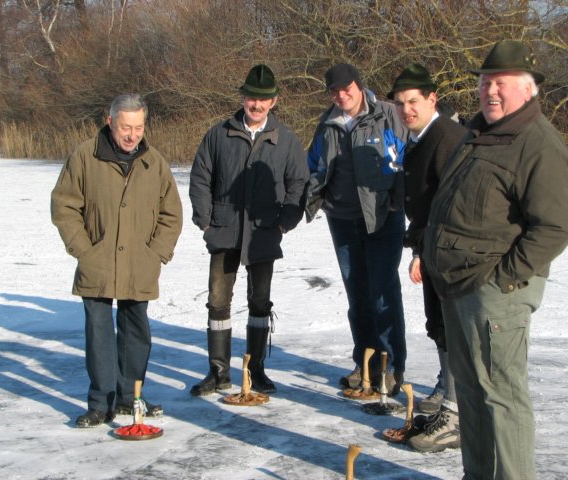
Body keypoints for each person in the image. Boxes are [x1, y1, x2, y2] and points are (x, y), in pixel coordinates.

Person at [423, 40, 568, 479]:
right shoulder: (481, 133)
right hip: (458, 286)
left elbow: (555, 227)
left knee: (503, 400)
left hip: (495, 294)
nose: (490, 91)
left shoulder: (537, 143)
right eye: (485, 82)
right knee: (472, 396)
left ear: (528, 90)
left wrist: (503, 280)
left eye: (501, 84)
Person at [51, 93, 183, 428]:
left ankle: (130, 396)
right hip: (97, 262)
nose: (132, 134)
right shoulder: (85, 156)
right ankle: (100, 402)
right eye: (126, 127)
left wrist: (155, 254)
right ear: (110, 121)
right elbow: (64, 205)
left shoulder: (155, 162)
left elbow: (171, 214)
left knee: (136, 332)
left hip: (140, 263)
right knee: (98, 333)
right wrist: (84, 249)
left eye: (138, 127)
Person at [189, 64, 309, 396]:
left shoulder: (285, 140)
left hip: (264, 231)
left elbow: (298, 184)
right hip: (224, 231)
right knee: (217, 301)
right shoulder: (219, 134)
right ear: (243, 98)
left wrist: (285, 221)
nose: (256, 105)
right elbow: (201, 178)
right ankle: (219, 371)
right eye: (251, 98)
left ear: (274, 101)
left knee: (260, 302)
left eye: (263, 100)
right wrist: (206, 220)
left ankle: (255, 369)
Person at [306, 63, 407, 394]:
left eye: (346, 87)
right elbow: (315, 166)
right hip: (343, 218)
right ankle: (365, 362)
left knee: (383, 293)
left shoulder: (388, 114)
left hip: (382, 217)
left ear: (359, 85)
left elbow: (407, 159)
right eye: (334, 90)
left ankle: (391, 366)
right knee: (357, 295)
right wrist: (306, 197)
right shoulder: (328, 122)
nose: (341, 95)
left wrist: (397, 200)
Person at [387, 63, 468, 452]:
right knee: (438, 324)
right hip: (432, 246)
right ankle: (448, 401)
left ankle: (455, 415)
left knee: (450, 327)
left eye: (413, 101)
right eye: (401, 103)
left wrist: (425, 250)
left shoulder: (447, 137)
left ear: (432, 99)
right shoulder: (418, 138)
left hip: (451, 253)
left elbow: (452, 204)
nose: (406, 110)